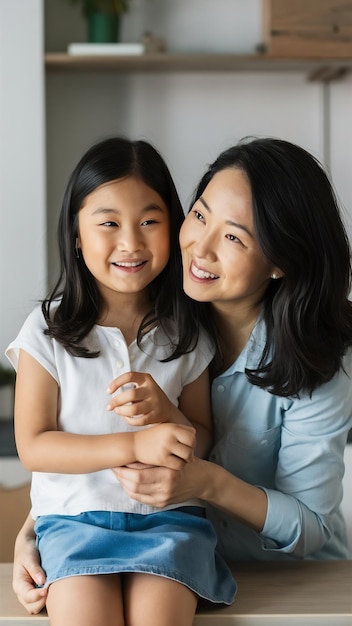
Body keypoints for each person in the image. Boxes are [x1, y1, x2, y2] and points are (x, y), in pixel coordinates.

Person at [12, 137, 352, 613]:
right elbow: (82, 436)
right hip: (121, 543)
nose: (200, 246)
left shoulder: (313, 367)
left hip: (276, 578)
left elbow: (313, 527)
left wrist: (206, 482)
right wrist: (36, 529)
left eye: (234, 236)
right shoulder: (169, 314)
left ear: (281, 261)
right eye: (200, 215)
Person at [6, 137, 235, 626]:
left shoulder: (187, 331)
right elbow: (35, 446)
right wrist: (135, 443)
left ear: (173, 227)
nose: (131, 242)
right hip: (72, 523)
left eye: (149, 222)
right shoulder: (46, 330)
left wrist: (172, 431)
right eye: (108, 223)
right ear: (76, 234)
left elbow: (204, 435)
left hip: (170, 521)